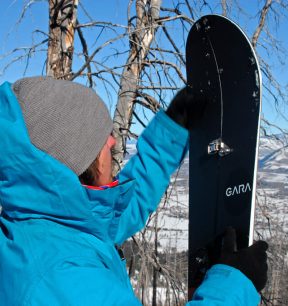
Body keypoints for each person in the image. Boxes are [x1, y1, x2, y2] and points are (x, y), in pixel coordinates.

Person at [0, 77, 268, 305]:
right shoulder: (63, 281)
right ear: (75, 161)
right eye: (99, 139)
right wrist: (234, 287)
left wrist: (171, 131)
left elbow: (116, 215)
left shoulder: (42, 224)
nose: (112, 140)